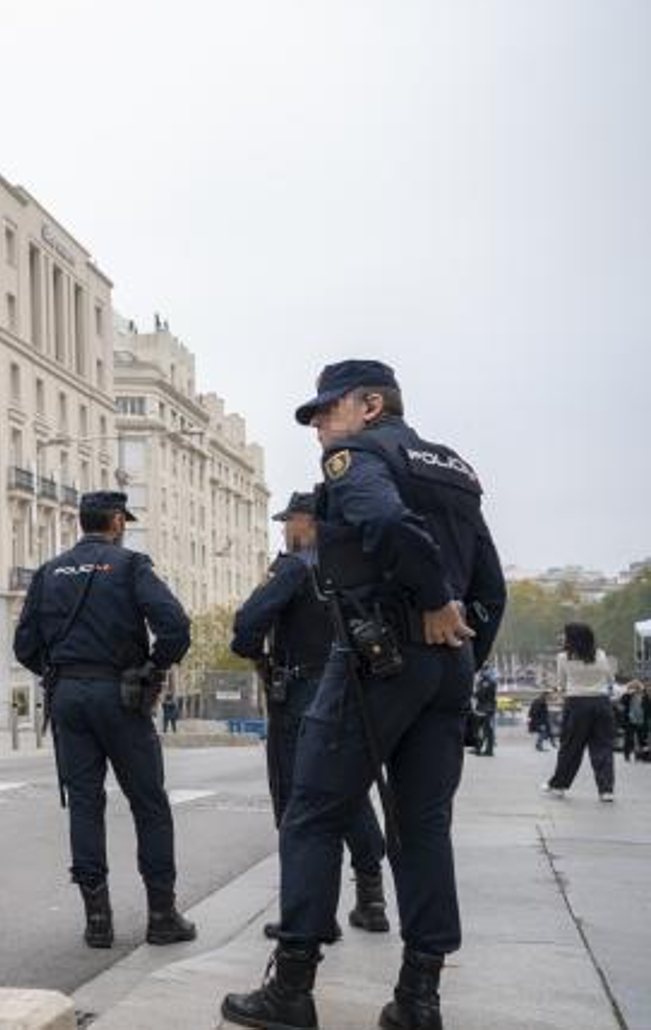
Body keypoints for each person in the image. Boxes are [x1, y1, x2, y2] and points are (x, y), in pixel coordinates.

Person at [223, 360, 504, 1030]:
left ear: (370, 404)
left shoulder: (358, 457)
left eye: (327, 410)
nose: (319, 426)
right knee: (423, 827)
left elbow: (384, 521)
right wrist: (458, 649)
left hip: (379, 659)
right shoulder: (455, 469)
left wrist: (432, 602)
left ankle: (291, 989)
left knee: (313, 812)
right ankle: (418, 999)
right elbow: (491, 587)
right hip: (446, 666)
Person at [14, 490, 196, 950]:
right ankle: (161, 916)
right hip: (121, 695)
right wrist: (153, 669)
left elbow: (24, 646)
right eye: (125, 522)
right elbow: (175, 625)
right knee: (148, 803)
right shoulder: (131, 566)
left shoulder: (50, 571)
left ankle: (97, 921)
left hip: (68, 696)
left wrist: (61, 674)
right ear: (115, 521)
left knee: (84, 803)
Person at [231, 490, 389, 943]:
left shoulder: (294, 568)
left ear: (308, 524)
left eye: (289, 522)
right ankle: (372, 898)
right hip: (352, 693)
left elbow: (247, 625)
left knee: (298, 804)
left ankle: (308, 912)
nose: (283, 530)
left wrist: (254, 654)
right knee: (348, 794)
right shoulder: (357, 567)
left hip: (301, 696)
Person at [541, 623, 617, 803]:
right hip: (601, 703)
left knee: (571, 747)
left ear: (572, 638)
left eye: (565, 635)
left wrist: (555, 690)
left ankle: (559, 785)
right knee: (602, 747)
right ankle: (606, 790)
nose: (562, 637)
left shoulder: (562, 658)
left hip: (577, 704)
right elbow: (610, 679)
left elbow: (561, 683)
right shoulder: (600, 654)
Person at [469, 663, 499, 757]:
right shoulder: (483, 680)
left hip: (486, 709)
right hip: (482, 708)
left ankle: (489, 751)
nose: (481, 672)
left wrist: (474, 693)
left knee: (487, 730)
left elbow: (480, 693)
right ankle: (478, 748)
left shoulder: (488, 682)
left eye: (483, 670)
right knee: (478, 729)